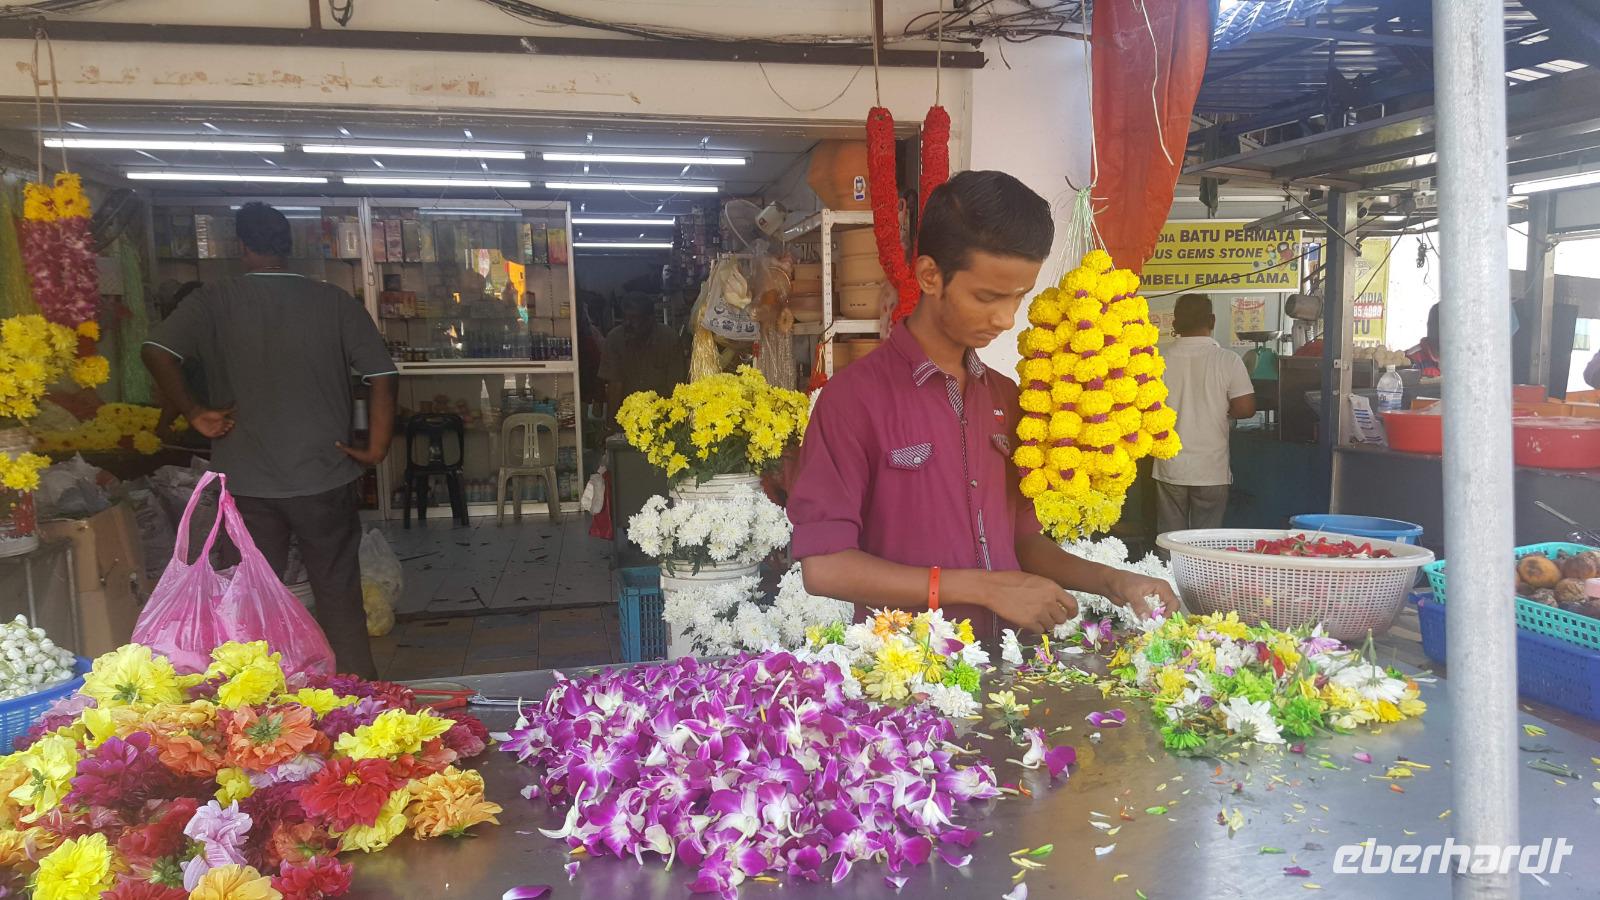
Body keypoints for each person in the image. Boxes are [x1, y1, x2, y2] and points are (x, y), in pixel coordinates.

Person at [787, 170, 1178, 640]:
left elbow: (1023, 541)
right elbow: (826, 568)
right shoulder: (853, 400)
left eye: (1020, 296)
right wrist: (984, 589)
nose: (1006, 319)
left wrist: (1113, 579)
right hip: (908, 678)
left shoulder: (1005, 396)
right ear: (931, 276)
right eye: (987, 296)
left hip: (1012, 667)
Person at [142, 202, 397, 678]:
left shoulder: (214, 300)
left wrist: (196, 412)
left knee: (252, 599)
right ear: (290, 247)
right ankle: (361, 700)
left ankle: (262, 706)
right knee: (339, 594)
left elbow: (156, 350)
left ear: (241, 247)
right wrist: (376, 447)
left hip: (248, 482)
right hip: (325, 473)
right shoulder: (334, 301)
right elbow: (382, 373)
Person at [1152, 294, 1256, 535]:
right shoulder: (1227, 360)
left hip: (1170, 466)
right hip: (1211, 468)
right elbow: (1246, 408)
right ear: (1212, 320)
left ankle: (1166, 573)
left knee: (1170, 539)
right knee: (1205, 542)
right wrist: (1220, 409)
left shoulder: (1158, 360)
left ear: (1175, 324)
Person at [599, 292, 685, 416]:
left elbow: (676, 387)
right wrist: (611, 424)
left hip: (662, 415)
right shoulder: (615, 339)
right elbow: (614, 385)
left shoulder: (669, 339)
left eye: (634, 318)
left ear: (650, 319)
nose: (628, 323)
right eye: (625, 318)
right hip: (627, 416)